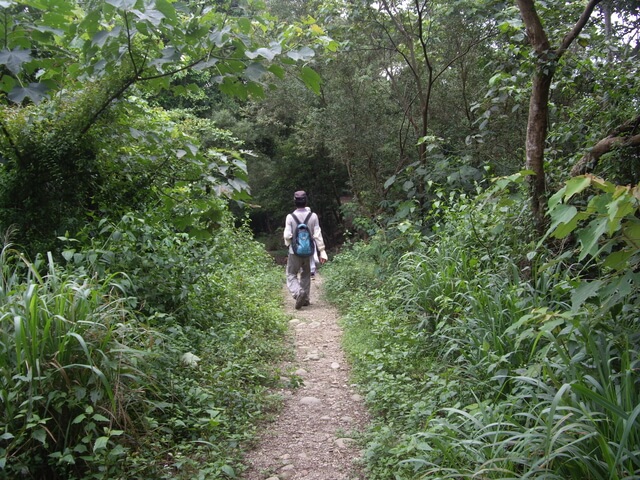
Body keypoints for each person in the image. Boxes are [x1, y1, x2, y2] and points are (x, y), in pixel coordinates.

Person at [283, 191, 328, 309]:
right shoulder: (313, 216)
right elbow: (317, 234)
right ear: (306, 201)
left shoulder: (290, 217)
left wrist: (289, 243)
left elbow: (287, 235)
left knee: (291, 274)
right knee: (306, 274)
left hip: (294, 251)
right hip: (309, 252)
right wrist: (322, 251)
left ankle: (298, 293)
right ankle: (306, 298)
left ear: (294, 202)